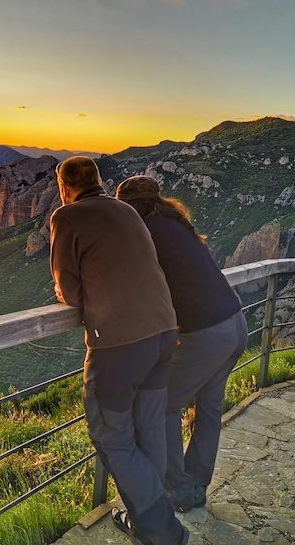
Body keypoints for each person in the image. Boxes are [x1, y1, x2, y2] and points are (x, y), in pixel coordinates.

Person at [49, 157, 188, 545]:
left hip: (121, 344)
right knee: (149, 426)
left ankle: (161, 529)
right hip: (163, 332)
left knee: (110, 434)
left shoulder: (66, 217)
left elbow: (68, 289)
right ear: (99, 181)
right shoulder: (126, 210)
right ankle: (148, 518)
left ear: (64, 188)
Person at [116, 175, 247, 513]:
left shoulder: (145, 233)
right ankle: (195, 486)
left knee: (162, 406)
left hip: (205, 335)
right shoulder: (176, 223)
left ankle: (178, 490)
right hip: (235, 322)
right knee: (209, 408)